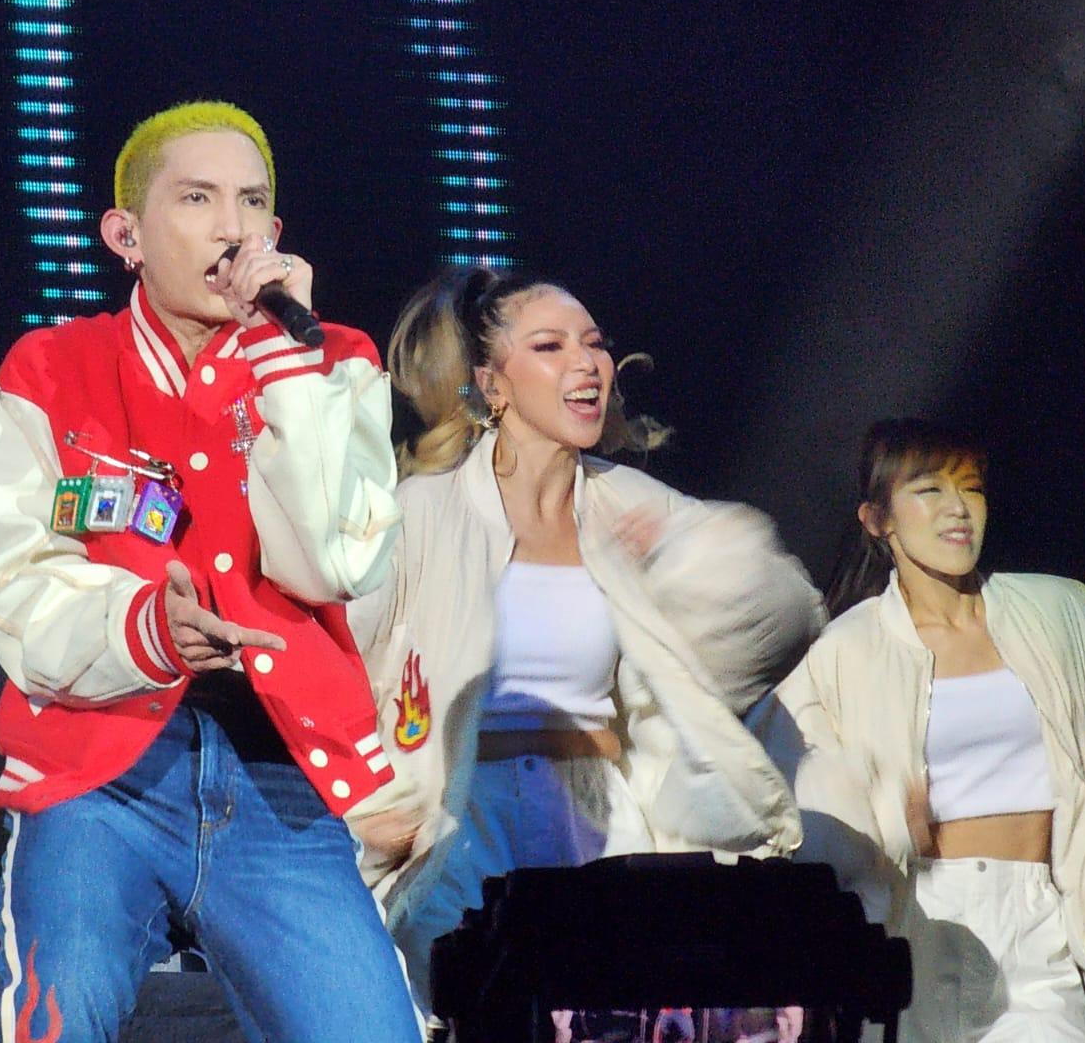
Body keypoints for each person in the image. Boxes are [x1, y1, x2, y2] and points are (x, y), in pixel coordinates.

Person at [0, 100, 422, 1043]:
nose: (231, 228)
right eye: (198, 198)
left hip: (279, 779)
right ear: (125, 235)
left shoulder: (333, 362)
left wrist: (286, 364)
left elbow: (335, 562)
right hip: (101, 774)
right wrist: (146, 629)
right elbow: (11, 580)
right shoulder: (51, 369)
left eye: (251, 203)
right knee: (60, 1017)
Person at [346, 267, 825, 1014]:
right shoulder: (424, 511)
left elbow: (792, 613)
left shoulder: (629, 506)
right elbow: (339, 661)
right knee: (472, 1015)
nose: (587, 363)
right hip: (462, 822)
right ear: (493, 384)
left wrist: (691, 562)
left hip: (599, 818)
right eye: (550, 345)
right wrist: (365, 803)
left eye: (594, 344)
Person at [763, 418, 1085, 1042]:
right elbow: (772, 785)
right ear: (877, 519)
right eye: (929, 490)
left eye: (970, 488)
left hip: (1035, 933)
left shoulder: (1054, 612)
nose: (958, 509)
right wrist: (881, 816)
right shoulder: (845, 649)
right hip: (913, 933)